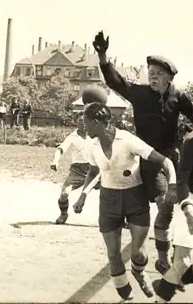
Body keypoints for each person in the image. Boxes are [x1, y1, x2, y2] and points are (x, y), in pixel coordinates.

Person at [92, 31, 193, 274]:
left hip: (173, 157)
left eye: (158, 74)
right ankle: (163, 258)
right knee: (165, 204)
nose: (153, 77)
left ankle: (174, 249)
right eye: (151, 73)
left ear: (169, 78)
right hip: (149, 157)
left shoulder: (179, 96)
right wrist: (103, 56)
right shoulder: (140, 93)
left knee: (181, 204)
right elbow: (115, 82)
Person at [73, 102, 178, 302]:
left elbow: (166, 161)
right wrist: (83, 195)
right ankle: (127, 296)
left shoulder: (127, 140)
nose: (83, 126)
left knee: (138, 254)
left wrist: (172, 184)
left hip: (134, 198)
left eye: (85, 122)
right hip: (108, 200)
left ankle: (139, 272)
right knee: (113, 253)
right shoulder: (91, 145)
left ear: (96, 122)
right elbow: (94, 172)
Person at [152, 121, 193, 302]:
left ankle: (168, 284)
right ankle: (163, 295)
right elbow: (182, 180)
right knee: (182, 263)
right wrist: (188, 209)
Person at [50, 111, 100, 225]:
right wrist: (55, 161)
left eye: (85, 121)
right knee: (64, 194)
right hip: (77, 170)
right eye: (80, 121)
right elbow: (61, 149)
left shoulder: (95, 135)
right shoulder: (72, 137)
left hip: (95, 169)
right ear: (76, 122)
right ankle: (63, 214)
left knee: (114, 191)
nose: (83, 123)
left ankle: (120, 219)